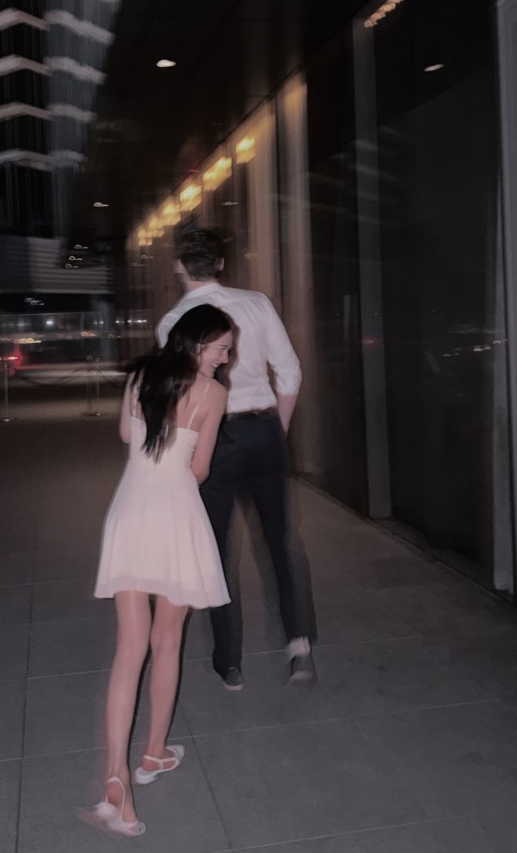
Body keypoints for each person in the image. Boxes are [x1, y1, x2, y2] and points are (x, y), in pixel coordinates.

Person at [84, 304, 234, 838]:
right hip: (176, 517)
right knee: (167, 641)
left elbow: (129, 437)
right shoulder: (213, 394)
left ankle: (116, 776)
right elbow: (199, 469)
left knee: (129, 649)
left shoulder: (140, 376)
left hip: (130, 511)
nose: (225, 357)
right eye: (221, 347)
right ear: (198, 342)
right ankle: (152, 753)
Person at [157, 227, 315, 691]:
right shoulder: (257, 304)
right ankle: (299, 647)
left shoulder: (173, 322)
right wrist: (275, 428)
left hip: (214, 440)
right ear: (221, 264)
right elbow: (289, 372)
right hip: (264, 429)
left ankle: (230, 664)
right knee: (279, 540)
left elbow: (180, 397)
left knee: (217, 549)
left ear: (178, 266)